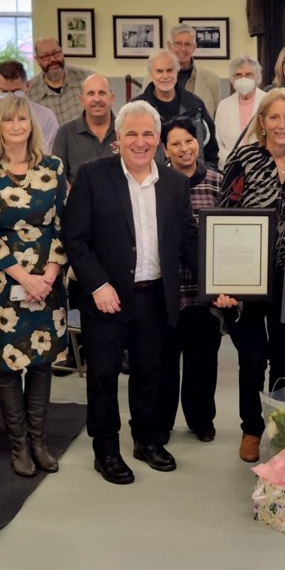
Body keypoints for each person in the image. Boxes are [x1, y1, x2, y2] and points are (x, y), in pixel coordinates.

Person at [62, 101, 197, 485]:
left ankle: (147, 440)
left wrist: (224, 282)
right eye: (132, 134)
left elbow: (189, 240)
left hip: (155, 294)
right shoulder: (92, 176)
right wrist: (98, 286)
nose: (140, 141)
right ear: (117, 139)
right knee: (103, 376)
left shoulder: (175, 183)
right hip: (106, 295)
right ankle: (105, 450)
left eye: (148, 134)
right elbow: (76, 238)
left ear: (158, 139)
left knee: (150, 372)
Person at [0, 95, 68, 478]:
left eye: (22, 118)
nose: (16, 125)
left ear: (33, 124)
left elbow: (64, 221)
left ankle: (40, 442)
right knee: (9, 368)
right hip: (2, 283)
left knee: (41, 365)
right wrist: (23, 276)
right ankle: (19, 446)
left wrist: (50, 273)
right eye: (8, 119)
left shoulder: (54, 167)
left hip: (48, 279)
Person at [216, 88, 285, 463]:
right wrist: (224, 283)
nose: (282, 124)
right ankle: (251, 428)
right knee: (253, 357)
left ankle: (280, 423)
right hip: (246, 275)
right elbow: (222, 222)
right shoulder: (242, 160)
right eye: (273, 117)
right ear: (262, 122)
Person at [157, 118, 224, 443]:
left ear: (198, 142)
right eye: (175, 144)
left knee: (203, 359)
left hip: (205, 290)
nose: (184, 148)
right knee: (165, 360)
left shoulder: (216, 181)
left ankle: (201, 419)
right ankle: (163, 422)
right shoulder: (158, 182)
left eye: (189, 141)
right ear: (165, 149)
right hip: (168, 288)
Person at [0, 60, 59, 180]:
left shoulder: (46, 116)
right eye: (3, 92)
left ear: (27, 86)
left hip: (35, 183)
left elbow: (48, 155)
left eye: (16, 92)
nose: (10, 98)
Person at [132, 49, 219, 168]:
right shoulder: (136, 108)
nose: (165, 76)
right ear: (151, 74)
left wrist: (205, 173)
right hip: (150, 181)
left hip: (193, 181)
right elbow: (128, 147)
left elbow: (211, 148)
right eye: (159, 71)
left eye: (169, 70)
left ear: (177, 71)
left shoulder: (195, 105)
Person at [51, 73, 117, 183]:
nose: (97, 99)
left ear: (112, 99)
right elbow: (57, 175)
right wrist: (77, 198)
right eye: (91, 93)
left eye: (102, 93)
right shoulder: (65, 133)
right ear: (82, 100)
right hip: (78, 198)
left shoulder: (125, 130)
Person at [215, 56, 266, 169]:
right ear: (232, 79)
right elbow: (218, 141)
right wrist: (231, 161)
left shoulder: (267, 102)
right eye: (238, 75)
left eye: (248, 74)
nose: (243, 79)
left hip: (262, 168)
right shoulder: (224, 105)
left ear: (257, 77)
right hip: (230, 167)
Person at [27, 37, 93, 125]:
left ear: (62, 52)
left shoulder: (87, 78)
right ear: (38, 60)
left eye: (56, 53)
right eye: (46, 56)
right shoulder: (30, 93)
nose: (53, 59)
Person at [166, 23, 221, 116]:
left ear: (194, 48)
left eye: (187, 44)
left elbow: (217, 117)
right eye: (178, 43)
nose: (183, 49)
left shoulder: (211, 79)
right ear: (169, 46)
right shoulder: (154, 77)